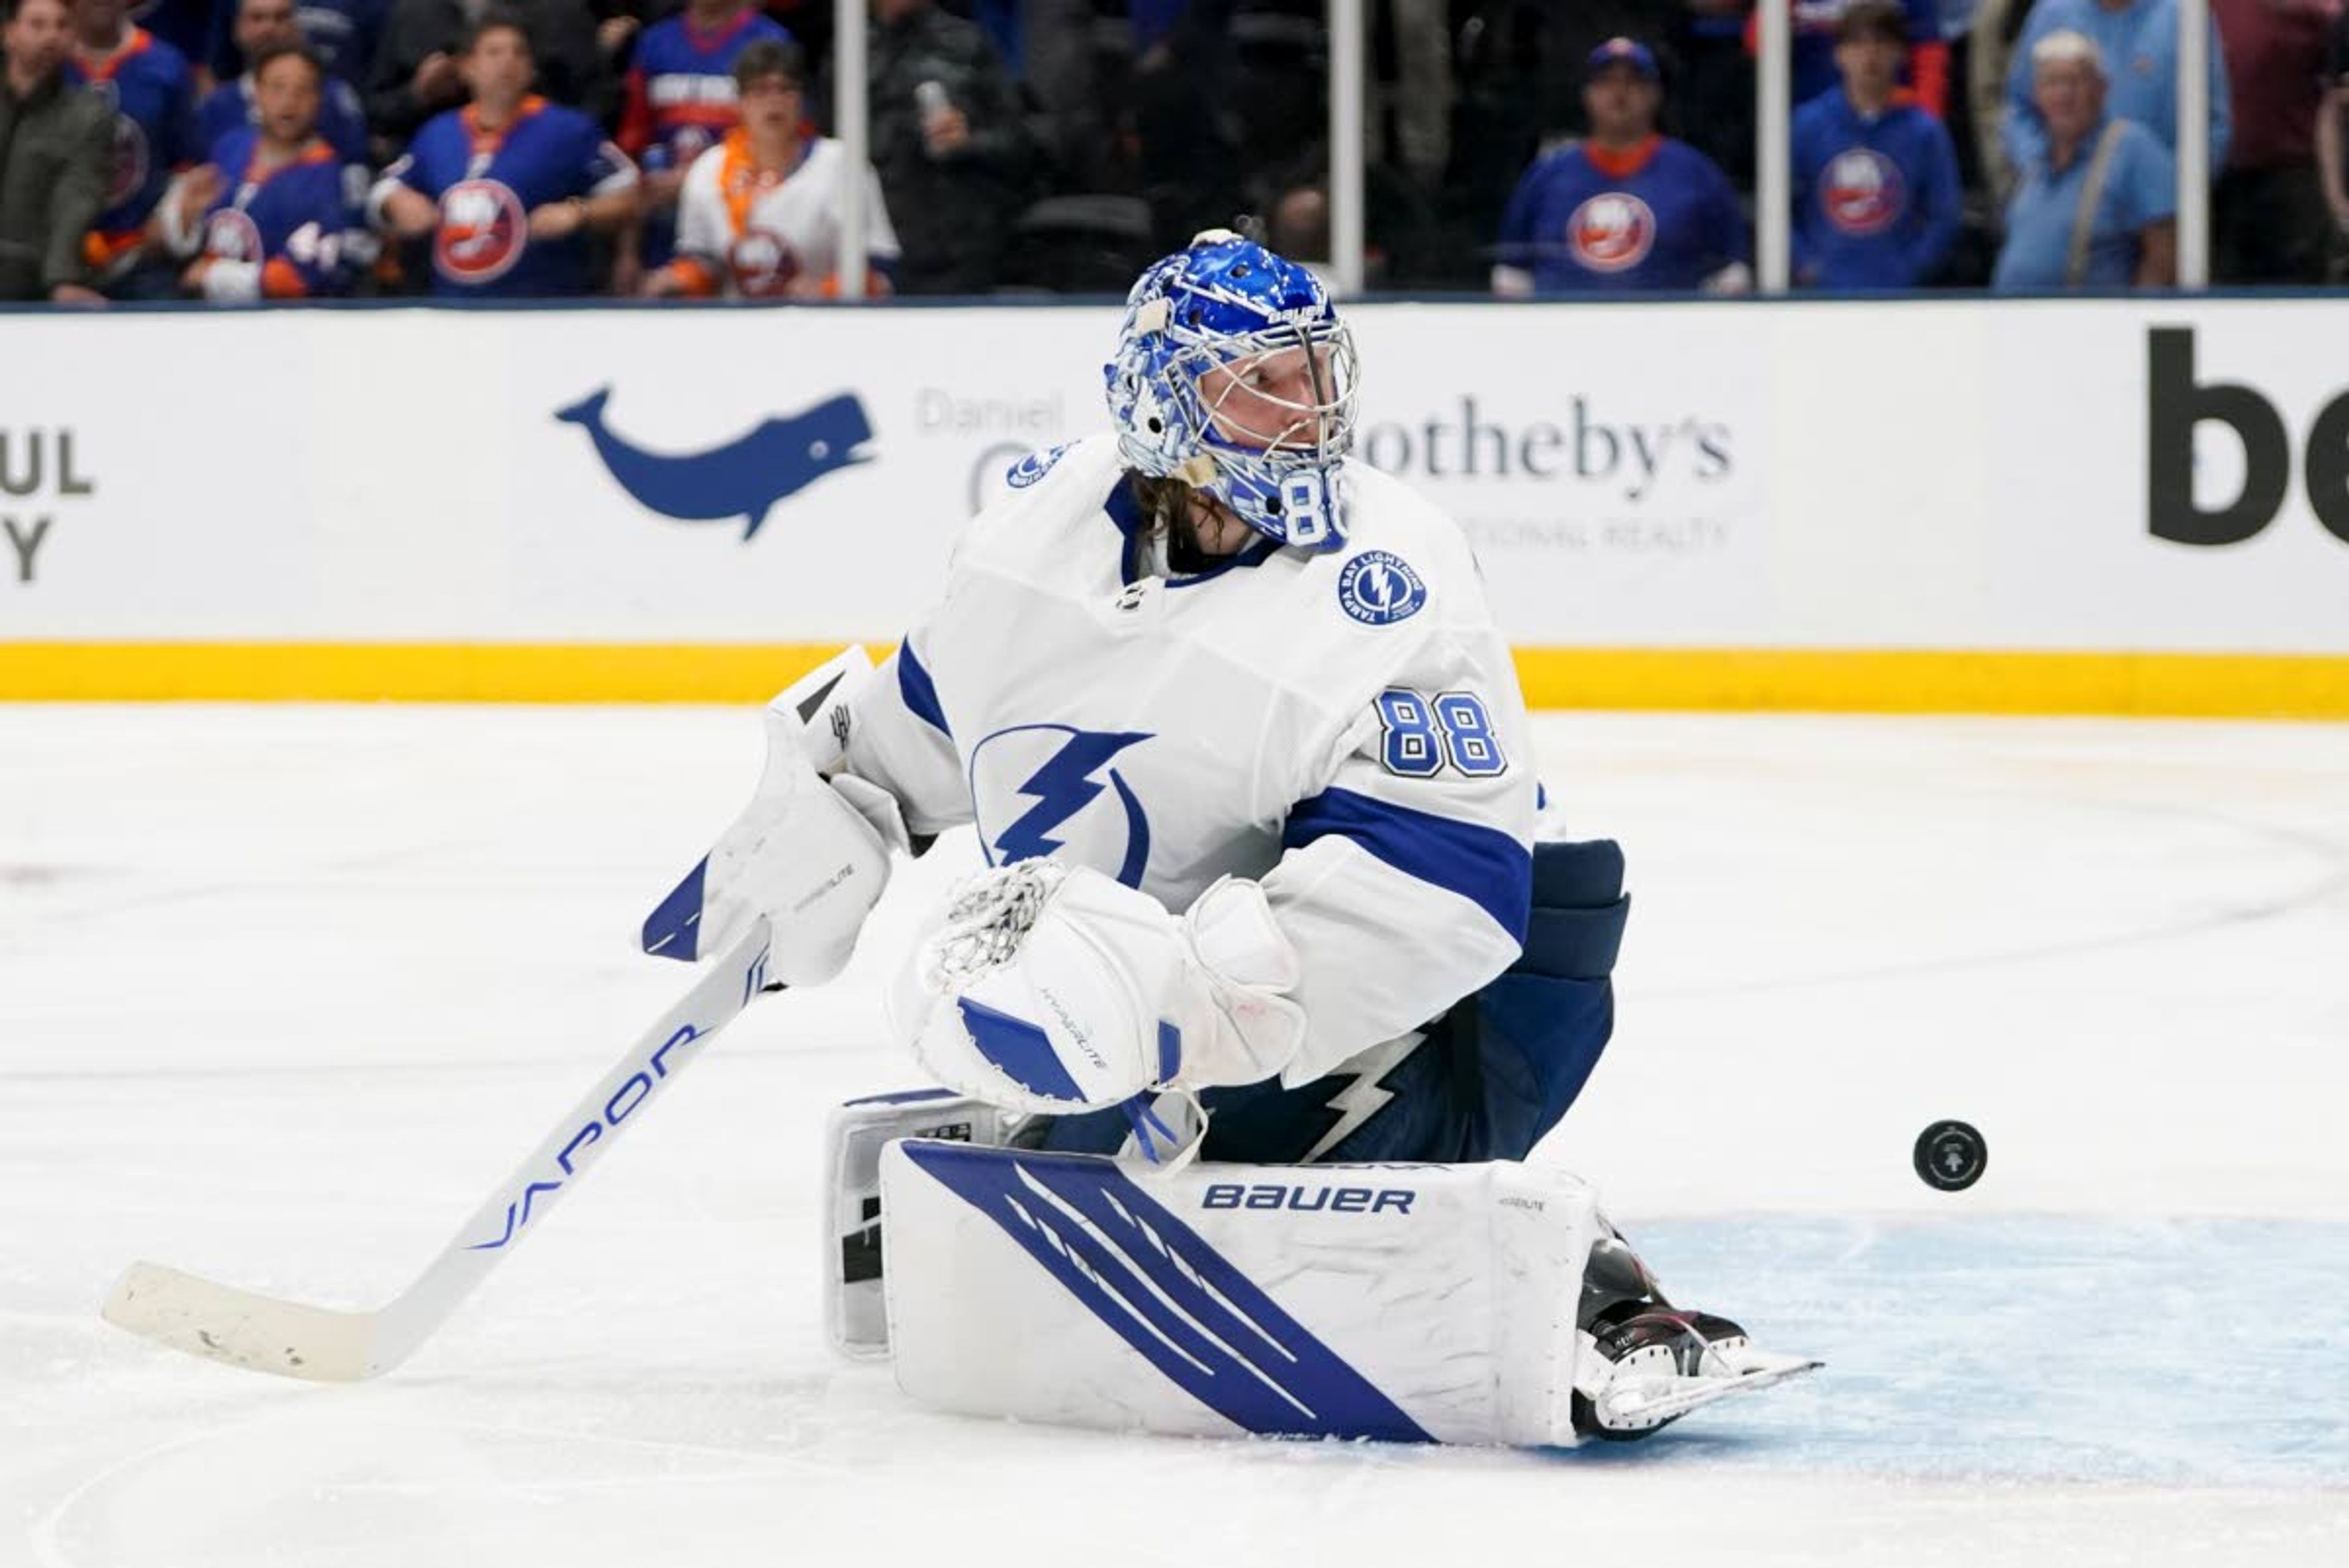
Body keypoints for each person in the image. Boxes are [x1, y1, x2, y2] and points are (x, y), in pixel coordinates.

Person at [639, 229, 1816, 1446]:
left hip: (1483, 995)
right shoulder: (1032, 533)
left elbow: (1445, 897)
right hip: (1195, 994)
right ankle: (1140, 1126)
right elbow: (926, 732)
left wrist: (1173, 1002)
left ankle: (1597, 1291)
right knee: (1073, 1099)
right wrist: (824, 815)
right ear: (1163, 402)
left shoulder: (1390, 576)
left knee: (1199, 1110)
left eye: (1315, 374)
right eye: (1261, 382)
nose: (1308, 412)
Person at [369, 12, 639, 296]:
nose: (508, 62)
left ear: (531, 68)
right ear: (467, 67)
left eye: (519, 53)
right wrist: (395, 201)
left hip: (542, 312)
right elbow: (386, 187)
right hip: (453, 317)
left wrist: (579, 212)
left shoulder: (568, 130)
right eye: (494, 53)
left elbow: (629, 194)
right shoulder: (438, 133)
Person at [640, 39, 898, 299]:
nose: (774, 102)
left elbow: (881, 268)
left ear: (803, 100)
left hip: (828, 327)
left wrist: (827, 291)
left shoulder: (842, 165)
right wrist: (679, 280)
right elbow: (701, 260)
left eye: (786, 89)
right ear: (739, 103)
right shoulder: (709, 169)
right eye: (760, 91)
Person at [1491, 37, 1750, 294]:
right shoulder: (1548, 175)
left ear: (1654, 94)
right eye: (1606, 81)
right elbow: (1512, 274)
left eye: (1633, 82)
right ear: (1588, 94)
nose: (1619, 93)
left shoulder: (1695, 173)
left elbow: (1731, 273)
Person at [161, 41, 368, 299]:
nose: (289, 101)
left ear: (318, 99)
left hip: (277, 327)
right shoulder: (230, 147)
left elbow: (299, 278)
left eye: (303, 90)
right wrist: (184, 217)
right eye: (277, 87)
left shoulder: (328, 180)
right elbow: (179, 234)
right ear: (256, 93)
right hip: (206, 318)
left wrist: (212, 276)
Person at [614, 0, 795, 281]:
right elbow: (632, 146)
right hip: (659, 220)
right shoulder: (654, 43)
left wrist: (700, 176)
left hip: (741, 217)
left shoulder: (769, 39)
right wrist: (627, 251)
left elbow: (784, 140)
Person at [867, 0, 1037, 294]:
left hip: (959, 249)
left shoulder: (968, 44)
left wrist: (969, 141)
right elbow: (828, 150)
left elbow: (1019, 143)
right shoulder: (851, 53)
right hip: (877, 245)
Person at [1791, 0, 1964, 286]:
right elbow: (1781, 206)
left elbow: (1944, 216)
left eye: (1881, 43)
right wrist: (1807, 263)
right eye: (1857, 44)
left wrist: (1909, 268)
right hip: (1822, 298)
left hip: (1897, 299)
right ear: (1839, 54)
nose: (1870, 55)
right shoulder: (1808, 124)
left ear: (1900, 53)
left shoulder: (1924, 132)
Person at [1992, 28, 2176, 287]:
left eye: (2074, 81)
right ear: (2037, 95)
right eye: (2051, 83)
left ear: (2102, 88)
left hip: (2091, 323)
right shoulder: (2033, 162)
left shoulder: (2132, 148)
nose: (2063, 95)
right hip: (2010, 322)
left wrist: (2136, 318)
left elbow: (2164, 250)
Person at [62, 0, 198, 294]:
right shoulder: (50, 62)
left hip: (143, 261)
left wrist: (168, 218)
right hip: (57, 260)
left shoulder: (167, 65)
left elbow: (188, 165)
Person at [2003, 0, 2229, 176]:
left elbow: (2214, 124)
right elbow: (2019, 108)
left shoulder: (2184, 16)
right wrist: (2040, 169)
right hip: (2065, 210)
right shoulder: (2053, 13)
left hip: (2160, 215)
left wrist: (2166, 194)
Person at [365, 0, 611, 150]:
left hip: (540, 160)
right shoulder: (413, 13)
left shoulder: (561, 14)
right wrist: (418, 95)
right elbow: (375, 112)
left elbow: (600, 99)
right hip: (441, 164)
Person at [2210, 0, 2332, 285]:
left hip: (2291, 172)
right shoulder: (2197, 11)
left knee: (2297, 286)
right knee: (2221, 286)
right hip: (2218, 175)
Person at [0, 0, 111, 302]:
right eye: (38, 25)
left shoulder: (88, 115)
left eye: (62, 26)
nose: (52, 36)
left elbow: (76, 200)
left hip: (28, 274)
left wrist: (62, 280)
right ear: (8, 33)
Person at [197, 0, 367, 163]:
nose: (269, 28)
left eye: (281, 17)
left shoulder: (335, 98)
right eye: (257, 18)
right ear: (238, 29)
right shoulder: (217, 106)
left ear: (297, 27)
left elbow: (355, 174)